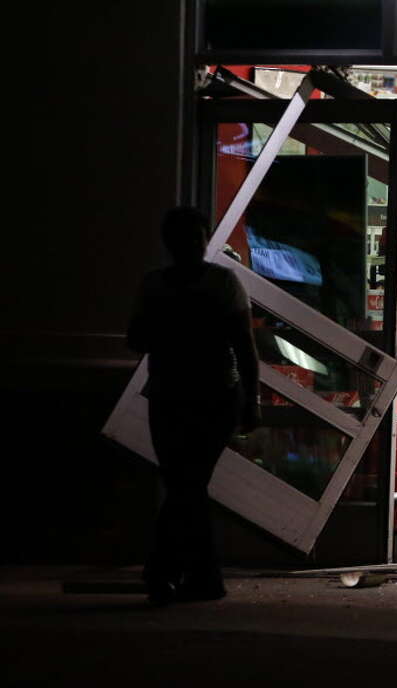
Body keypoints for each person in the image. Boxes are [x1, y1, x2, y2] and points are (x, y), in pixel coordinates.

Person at [128, 207, 260, 606]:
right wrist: (251, 400)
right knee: (189, 485)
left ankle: (167, 571)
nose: (193, 245)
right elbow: (245, 349)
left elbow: (136, 339)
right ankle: (197, 576)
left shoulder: (156, 286)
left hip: (178, 396)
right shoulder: (222, 284)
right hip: (211, 395)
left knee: (183, 483)